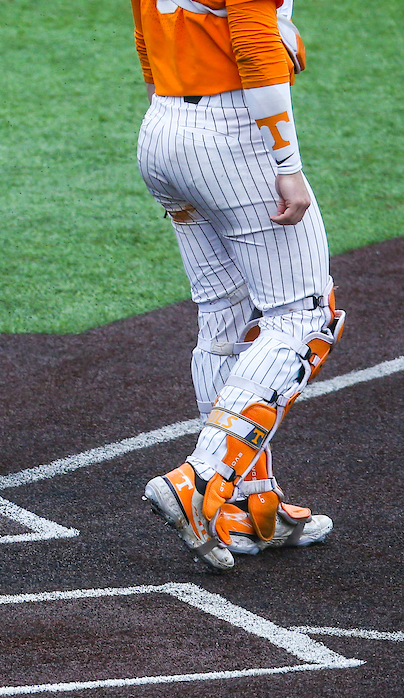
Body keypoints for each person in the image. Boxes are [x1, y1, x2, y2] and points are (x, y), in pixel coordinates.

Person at [130, 0, 345, 571]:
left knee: (225, 317)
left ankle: (246, 507)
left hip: (163, 126)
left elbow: (144, 36)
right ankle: (201, 479)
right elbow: (255, 44)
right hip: (231, 133)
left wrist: (174, 128)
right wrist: (287, 164)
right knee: (305, 318)